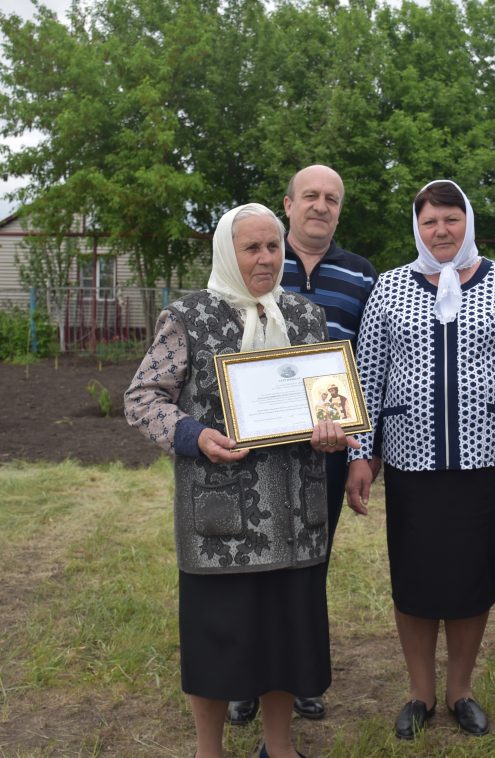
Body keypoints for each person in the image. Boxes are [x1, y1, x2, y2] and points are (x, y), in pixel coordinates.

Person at [124, 203, 356, 758]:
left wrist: (333, 431)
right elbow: (143, 397)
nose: (266, 258)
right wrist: (194, 436)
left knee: (285, 639)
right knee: (216, 643)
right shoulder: (189, 316)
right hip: (219, 515)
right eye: (252, 248)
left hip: (296, 510)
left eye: (273, 247)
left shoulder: (304, 317)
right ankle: (211, 750)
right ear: (227, 253)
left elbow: (329, 401)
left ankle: (278, 748)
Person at [345, 179, 495, 740]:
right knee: (414, 580)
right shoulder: (390, 287)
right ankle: (420, 693)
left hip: (485, 461)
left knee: (471, 578)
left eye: (451, 220)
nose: (441, 231)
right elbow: (367, 376)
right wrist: (362, 453)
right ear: (418, 227)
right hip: (411, 462)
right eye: (430, 221)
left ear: (468, 222)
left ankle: (460, 690)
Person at [227, 164, 377, 725]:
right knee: (250, 566)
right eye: (310, 196)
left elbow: (368, 368)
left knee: (310, 564)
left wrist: (361, 453)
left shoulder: (362, 275)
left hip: (325, 448)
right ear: (287, 204)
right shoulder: (259, 258)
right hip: (255, 450)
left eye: (332, 198)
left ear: (340, 209)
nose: (321, 205)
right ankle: (246, 681)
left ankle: (301, 679)